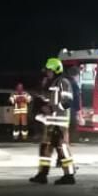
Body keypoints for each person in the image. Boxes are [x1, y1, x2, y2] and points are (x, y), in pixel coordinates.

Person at [29, 57, 77, 185]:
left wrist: (51, 108)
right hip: (50, 122)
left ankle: (69, 175)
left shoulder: (63, 82)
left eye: (49, 70)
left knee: (62, 148)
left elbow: (67, 102)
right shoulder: (53, 83)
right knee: (45, 148)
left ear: (56, 70)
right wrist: (41, 97)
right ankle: (42, 174)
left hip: (60, 123)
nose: (47, 73)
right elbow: (51, 99)